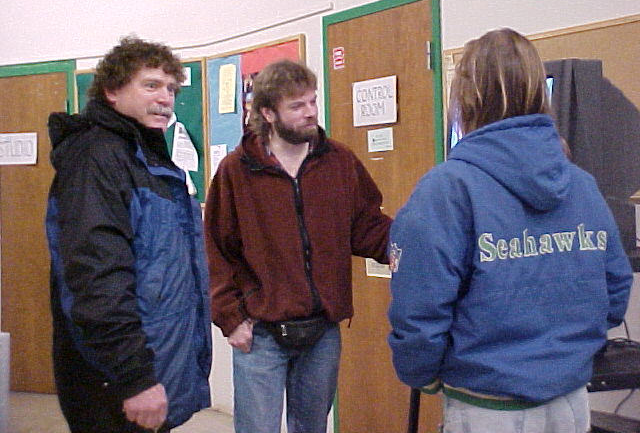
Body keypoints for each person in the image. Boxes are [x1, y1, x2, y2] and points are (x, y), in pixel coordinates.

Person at [387, 28, 633, 433]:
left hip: (485, 407)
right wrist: (563, 351)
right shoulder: (582, 185)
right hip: (570, 404)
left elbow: (419, 310)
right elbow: (616, 289)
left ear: (464, 97)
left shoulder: (445, 190)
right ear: (540, 93)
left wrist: (422, 373)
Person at [204, 59, 391, 433]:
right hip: (260, 334)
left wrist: (412, 246)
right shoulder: (236, 171)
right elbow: (216, 250)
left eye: (312, 101)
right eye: (297, 106)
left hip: (321, 330)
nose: (310, 113)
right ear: (268, 113)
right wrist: (230, 318)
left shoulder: (339, 161)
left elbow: (367, 226)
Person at [45, 36, 212, 433]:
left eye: (171, 88)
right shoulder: (97, 157)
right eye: (151, 85)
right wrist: (134, 377)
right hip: (112, 378)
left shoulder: (145, 156)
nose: (166, 98)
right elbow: (95, 276)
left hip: (150, 362)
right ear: (112, 91)